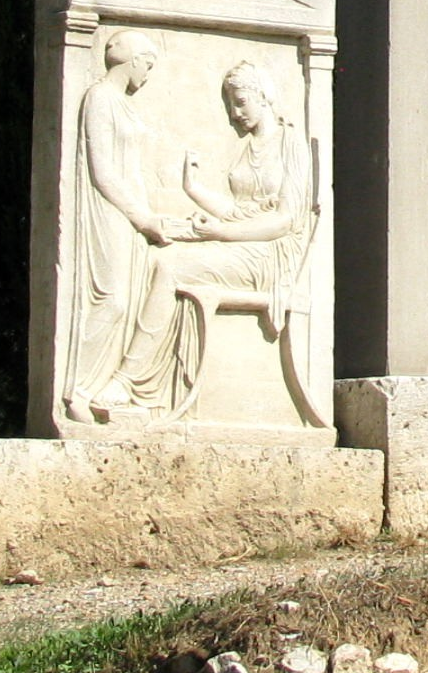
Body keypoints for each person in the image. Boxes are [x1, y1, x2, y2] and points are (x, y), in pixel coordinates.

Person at [108, 59, 312, 415]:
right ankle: (151, 386)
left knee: (172, 266)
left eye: (241, 101)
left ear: (263, 96)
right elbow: (237, 211)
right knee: (161, 249)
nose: (234, 113)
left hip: (272, 255)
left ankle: (127, 380)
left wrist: (220, 233)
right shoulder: (249, 147)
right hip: (244, 243)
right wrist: (194, 189)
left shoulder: (291, 143)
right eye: (229, 104)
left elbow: (284, 221)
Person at [63, 29, 175, 422]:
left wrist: (152, 216)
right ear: (130, 58)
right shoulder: (100, 98)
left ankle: (104, 393)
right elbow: (103, 171)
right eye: (147, 63)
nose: (147, 73)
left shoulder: (125, 105)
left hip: (133, 216)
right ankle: (78, 389)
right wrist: (141, 217)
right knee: (111, 299)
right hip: (108, 211)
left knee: (129, 301)